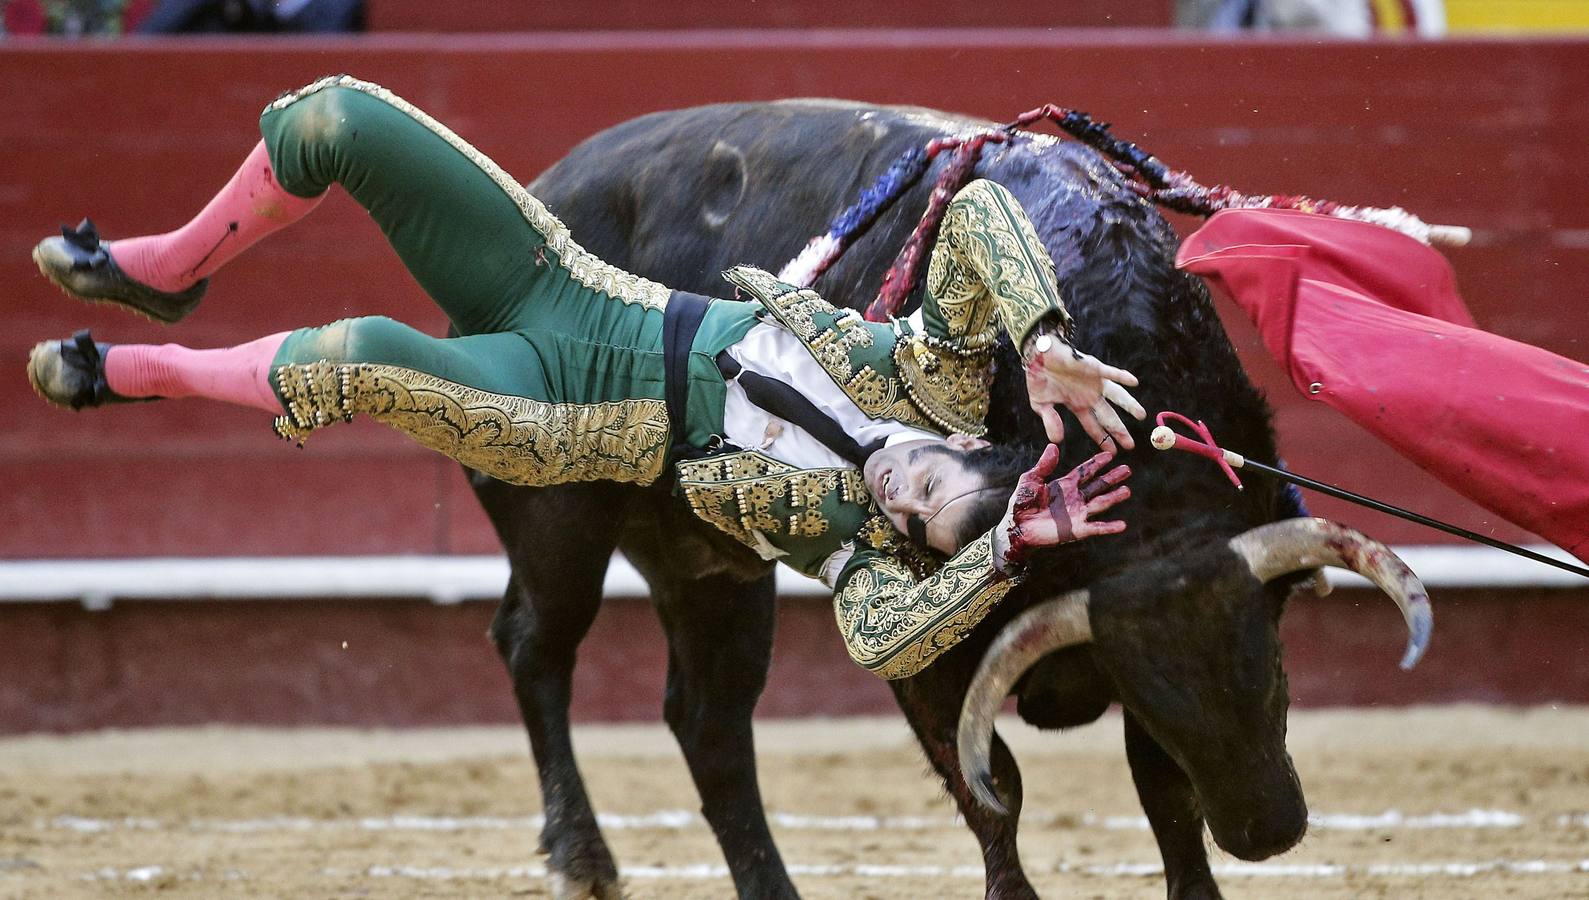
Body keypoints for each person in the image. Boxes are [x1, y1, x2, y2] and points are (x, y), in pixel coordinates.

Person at [27, 75, 1143, 679]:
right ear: (966, 445)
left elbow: (884, 641)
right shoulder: (930, 377)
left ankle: (133, 370)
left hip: (555, 413)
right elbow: (984, 209)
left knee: (353, 358)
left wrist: (990, 553)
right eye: (935, 489)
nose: (903, 495)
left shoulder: (850, 552)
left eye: (918, 526)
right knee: (337, 117)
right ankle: (166, 272)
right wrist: (1038, 333)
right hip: (575, 289)